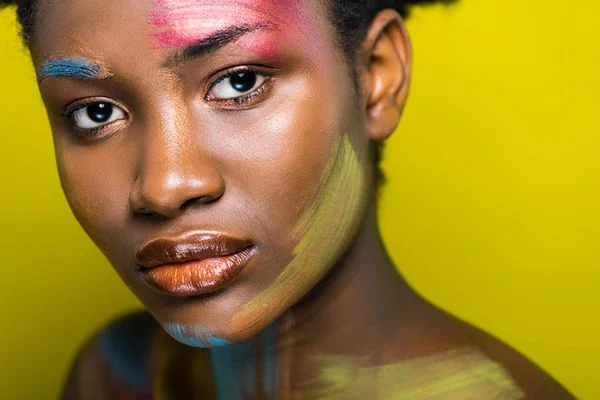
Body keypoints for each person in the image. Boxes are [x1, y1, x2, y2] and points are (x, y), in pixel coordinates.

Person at [0, 0, 576, 398]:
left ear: (376, 76)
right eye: (95, 112)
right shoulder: (118, 376)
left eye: (239, 82)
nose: (164, 186)